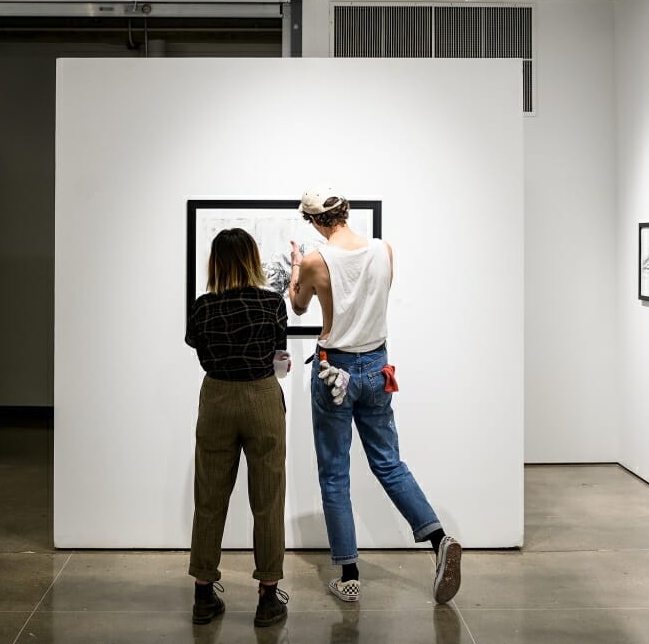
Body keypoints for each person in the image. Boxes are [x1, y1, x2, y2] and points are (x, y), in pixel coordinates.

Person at [287, 187, 462, 604]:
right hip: (376, 366)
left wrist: (296, 268)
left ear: (315, 221)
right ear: (345, 213)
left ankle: (348, 573)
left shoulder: (315, 260)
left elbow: (297, 306)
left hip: (335, 370)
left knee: (334, 472)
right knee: (389, 463)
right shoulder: (384, 250)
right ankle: (437, 539)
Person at [185, 228, 291, 628]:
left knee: (209, 498)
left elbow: (197, 345)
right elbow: (279, 354)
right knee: (267, 500)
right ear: (252, 259)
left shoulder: (202, 307)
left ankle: (203, 594)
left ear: (215, 263)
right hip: (262, 396)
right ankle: (267, 597)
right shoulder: (271, 303)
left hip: (216, 398)